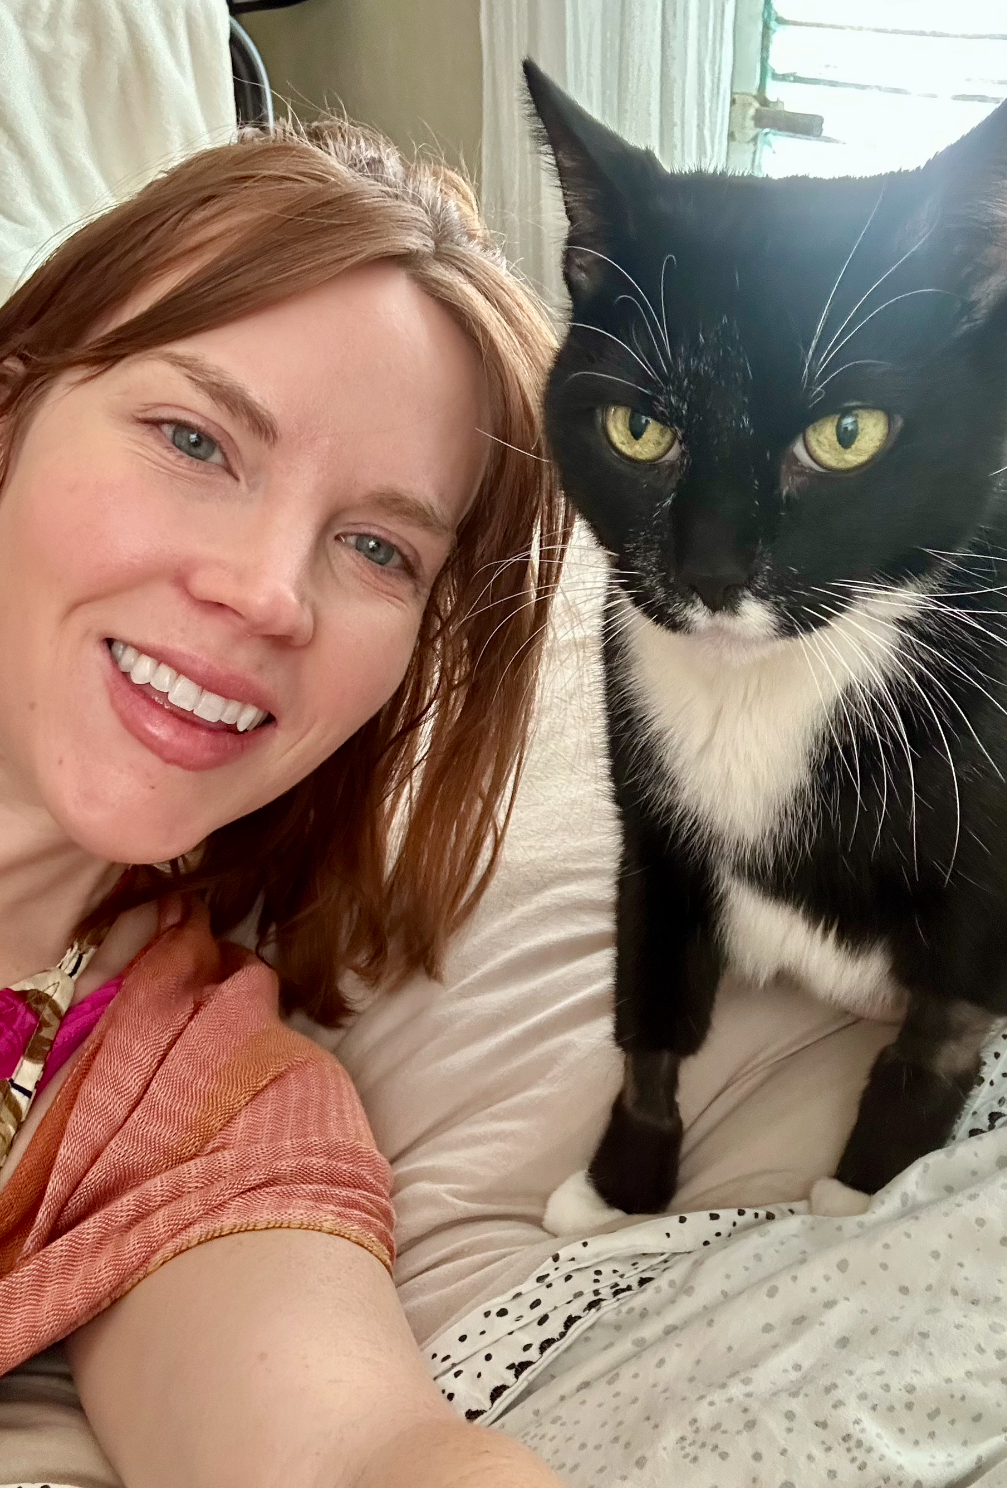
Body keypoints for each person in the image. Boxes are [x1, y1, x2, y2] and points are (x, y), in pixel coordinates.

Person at [0, 119, 569, 1486]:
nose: (269, 593)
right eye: (194, 439)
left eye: (376, 546)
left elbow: (357, 1453)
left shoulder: (196, 1104)